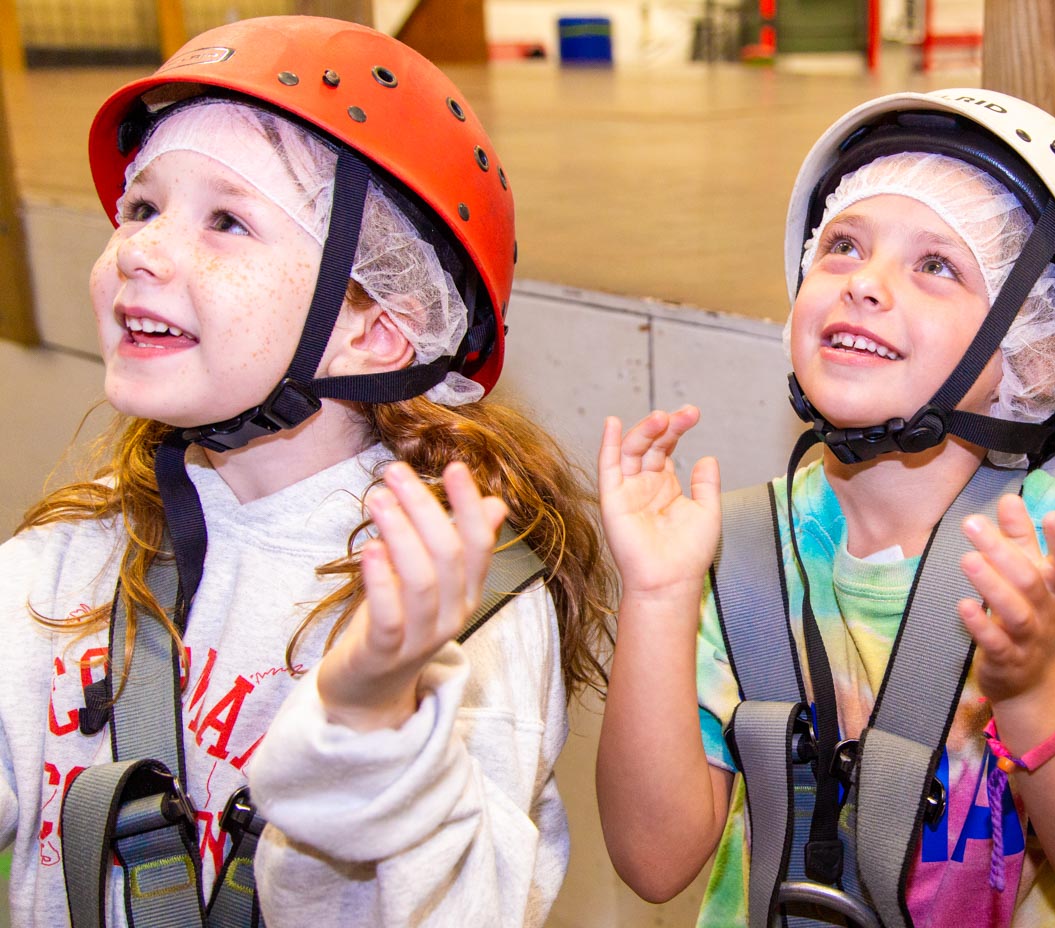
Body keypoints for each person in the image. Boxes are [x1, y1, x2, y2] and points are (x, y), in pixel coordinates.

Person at [0, 16, 612, 925]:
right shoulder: (64, 559)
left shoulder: (453, 600)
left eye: (226, 220)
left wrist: (368, 719)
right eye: (141, 205)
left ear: (377, 326)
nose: (139, 248)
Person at [597, 88, 1055, 928]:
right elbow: (653, 861)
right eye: (843, 246)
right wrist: (658, 599)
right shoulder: (736, 554)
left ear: (1031, 353)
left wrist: (1035, 688)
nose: (865, 285)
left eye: (936, 266)